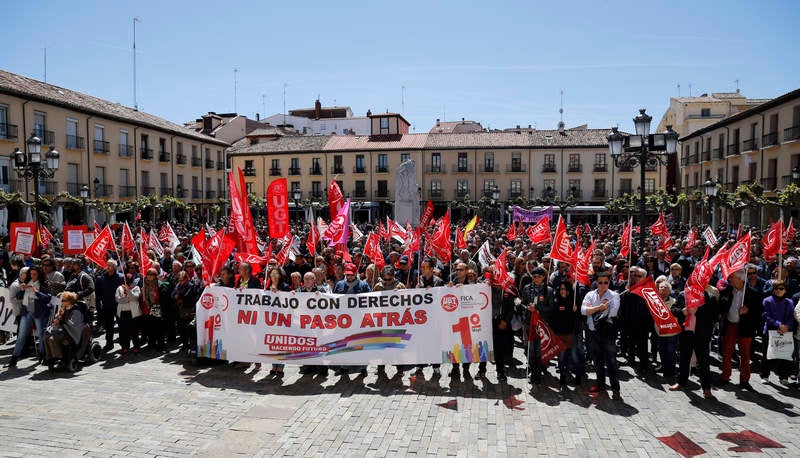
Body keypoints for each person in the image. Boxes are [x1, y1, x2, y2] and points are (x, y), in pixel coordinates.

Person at [717, 269, 764, 389]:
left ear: (740, 279)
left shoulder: (753, 293)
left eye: (732, 277)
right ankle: (725, 376)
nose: (729, 279)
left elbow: (760, 312)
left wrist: (749, 311)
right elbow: (720, 308)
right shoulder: (726, 291)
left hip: (745, 327)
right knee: (727, 353)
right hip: (729, 325)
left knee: (745, 354)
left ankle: (744, 380)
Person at [669, 285, 719, 399]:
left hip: (701, 336)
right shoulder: (683, 294)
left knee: (704, 363)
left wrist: (698, 311)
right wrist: (682, 311)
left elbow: (715, 315)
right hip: (686, 334)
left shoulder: (709, 297)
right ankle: (681, 382)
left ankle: (706, 388)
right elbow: (673, 309)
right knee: (683, 360)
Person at [581, 271, 622, 401]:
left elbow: (612, 312)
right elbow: (583, 310)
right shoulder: (590, 295)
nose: (603, 285)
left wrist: (593, 309)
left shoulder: (614, 295)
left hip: (607, 334)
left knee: (611, 362)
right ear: (596, 283)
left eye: (606, 282)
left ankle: (616, 390)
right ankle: (601, 384)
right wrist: (599, 308)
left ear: (609, 282)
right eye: (600, 282)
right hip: (593, 332)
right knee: (597, 361)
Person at [332, 263, 371, 377]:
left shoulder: (363, 285)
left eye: (351, 275)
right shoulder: (339, 284)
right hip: (343, 320)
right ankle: (343, 367)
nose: (349, 277)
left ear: (356, 274)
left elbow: (370, 299)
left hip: (359, 320)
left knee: (360, 343)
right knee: (343, 344)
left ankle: (363, 367)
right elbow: (333, 299)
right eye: (347, 275)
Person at [520, 266, 554, 385]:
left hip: (542, 324)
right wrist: (527, 308)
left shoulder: (548, 290)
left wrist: (538, 309)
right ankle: (532, 370)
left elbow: (551, 307)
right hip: (529, 322)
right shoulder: (527, 288)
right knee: (530, 349)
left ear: (543, 277)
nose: (536, 279)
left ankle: (537, 373)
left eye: (538, 277)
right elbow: (522, 303)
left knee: (539, 349)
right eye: (534, 276)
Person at [760, 279, 795, 385]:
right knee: (767, 354)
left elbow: (791, 317)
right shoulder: (767, 300)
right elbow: (765, 315)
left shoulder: (789, 302)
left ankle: (783, 376)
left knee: (785, 355)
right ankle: (765, 375)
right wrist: (778, 324)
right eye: (776, 288)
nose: (778, 290)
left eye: (781, 288)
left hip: (785, 332)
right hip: (770, 331)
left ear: (785, 290)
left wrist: (787, 326)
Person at [551, 281, 580, 391]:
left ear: (569, 291)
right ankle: (562, 376)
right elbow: (554, 319)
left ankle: (578, 376)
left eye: (565, 289)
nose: (563, 291)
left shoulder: (574, 302)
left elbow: (579, 319)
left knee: (574, 356)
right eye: (561, 289)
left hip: (571, 334)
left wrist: (576, 311)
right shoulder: (556, 301)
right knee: (561, 357)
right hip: (560, 334)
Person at [94, 260, 122, 351]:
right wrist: (99, 303)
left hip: (119, 305)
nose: (108, 267)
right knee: (109, 326)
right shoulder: (101, 278)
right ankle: (109, 343)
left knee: (121, 325)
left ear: (115, 267)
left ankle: (123, 344)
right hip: (107, 305)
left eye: (110, 265)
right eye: (107, 265)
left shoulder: (121, 277)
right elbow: (98, 293)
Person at [116, 273, 142, 355]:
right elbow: (118, 299)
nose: (128, 283)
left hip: (133, 313)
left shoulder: (136, 288)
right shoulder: (119, 288)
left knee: (134, 331)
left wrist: (128, 291)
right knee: (124, 331)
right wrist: (128, 299)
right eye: (126, 281)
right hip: (123, 312)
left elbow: (135, 298)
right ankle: (125, 347)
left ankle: (136, 347)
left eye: (130, 281)